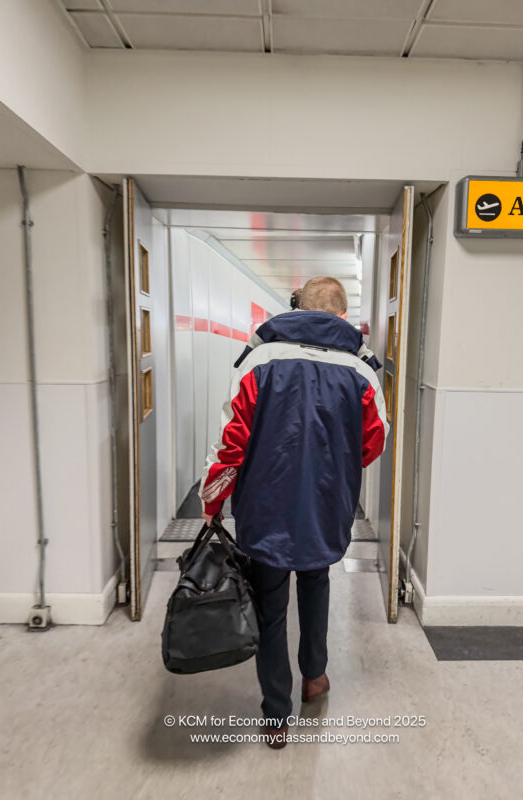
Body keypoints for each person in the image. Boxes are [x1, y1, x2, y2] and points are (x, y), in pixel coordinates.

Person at [199, 276, 389, 749]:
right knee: (316, 581)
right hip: (325, 504)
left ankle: (276, 715)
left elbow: (231, 442)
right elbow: (374, 442)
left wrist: (213, 499)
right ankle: (315, 677)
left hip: (265, 506)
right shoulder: (361, 371)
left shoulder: (258, 360)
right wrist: (334, 468)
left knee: (269, 604)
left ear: (296, 307)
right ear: (342, 317)